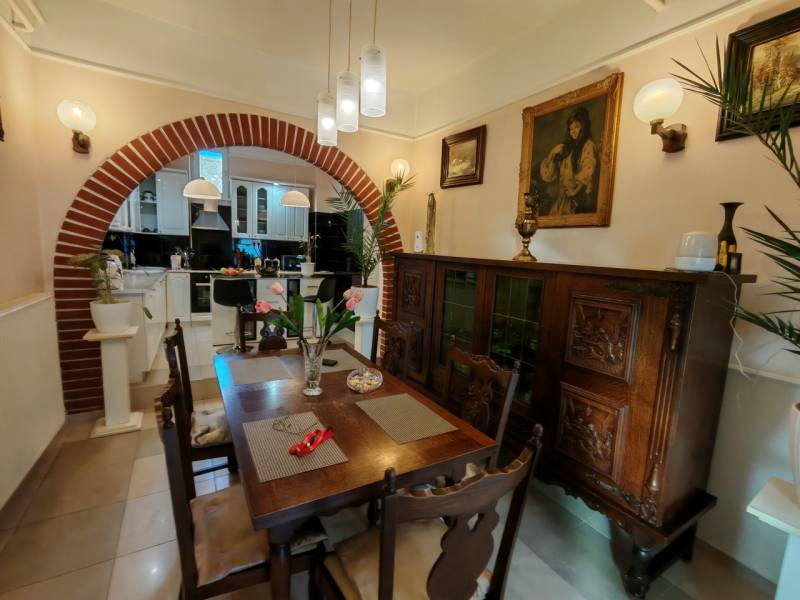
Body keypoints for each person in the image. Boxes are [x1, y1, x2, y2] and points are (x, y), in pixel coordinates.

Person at [539, 107, 598, 215]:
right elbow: (548, 176)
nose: (573, 131)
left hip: (577, 201)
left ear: (583, 127)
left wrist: (574, 193)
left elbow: (588, 171)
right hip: (562, 202)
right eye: (571, 129)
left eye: (576, 127)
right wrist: (552, 153)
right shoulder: (566, 148)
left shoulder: (588, 146)